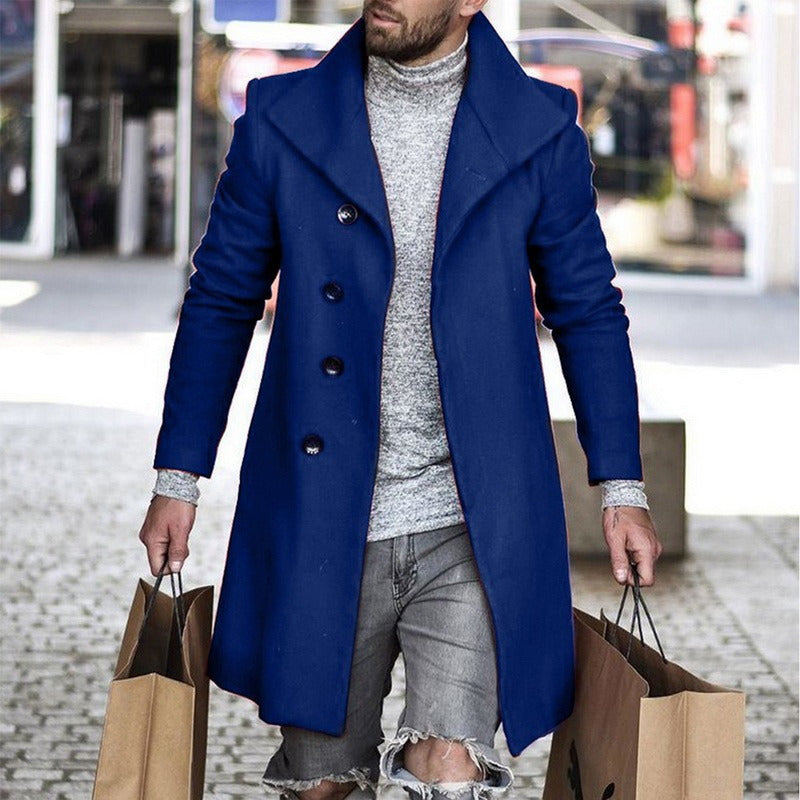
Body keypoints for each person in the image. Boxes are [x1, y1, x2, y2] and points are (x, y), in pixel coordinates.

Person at [139, 3, 663, 799]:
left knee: (451, 771)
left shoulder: (539, 127)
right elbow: (220, 298)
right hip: (324, 514)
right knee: (324, 783)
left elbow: (588, 308)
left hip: (470, 523)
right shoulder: (282, 118)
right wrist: (178, 478)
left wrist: (622, 487)